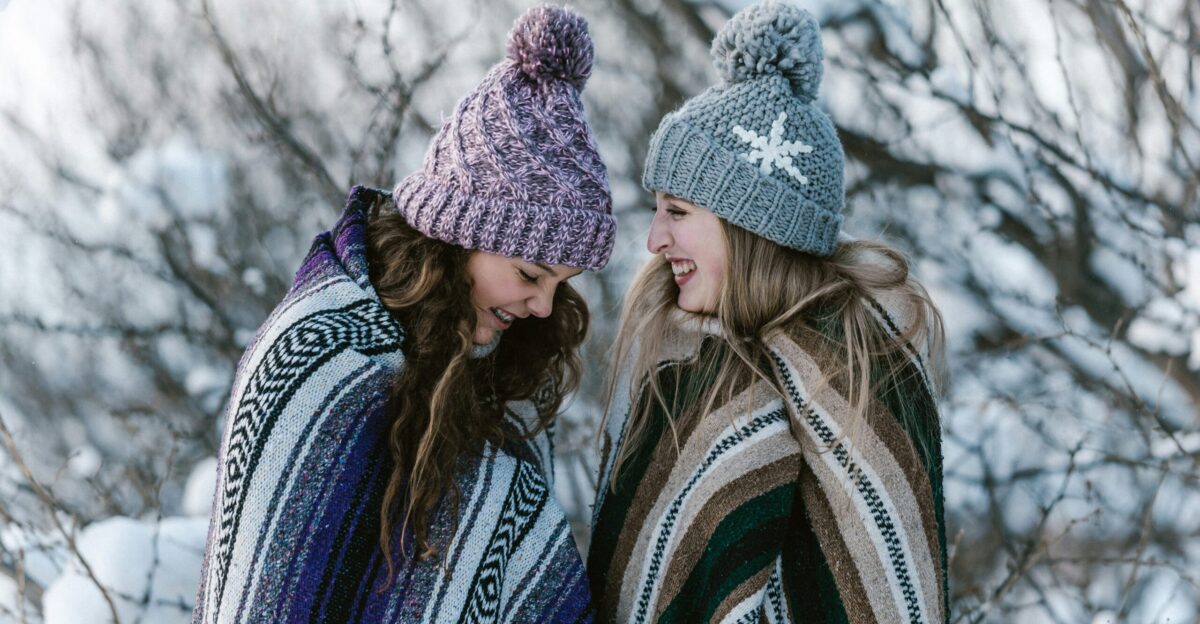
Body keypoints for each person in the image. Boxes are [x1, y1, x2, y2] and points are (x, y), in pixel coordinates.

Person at [192, 5, 614, 622]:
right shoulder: (316, 358)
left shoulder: (500, 377)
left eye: (560, 283)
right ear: (457, 235)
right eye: (529, 274)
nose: (543, 306)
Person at [587, 2, 949, 622]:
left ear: (748, 226)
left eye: (677, 211)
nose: (653, 241)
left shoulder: (867, 379)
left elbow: (893, 588)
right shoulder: (679, 375)